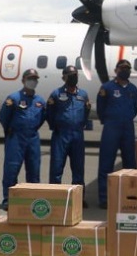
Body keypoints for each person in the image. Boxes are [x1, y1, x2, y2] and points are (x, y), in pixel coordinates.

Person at [0, 68, 47, 210]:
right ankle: (8, 199)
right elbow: (3, 116)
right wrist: (10, 130)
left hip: (32, 137)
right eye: (30, 78)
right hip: (16, 137)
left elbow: (42, 118)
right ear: (23, 80)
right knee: (12, 168)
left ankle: (32, 198)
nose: (33, 81)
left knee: (34, 169)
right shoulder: (14, 98)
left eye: (35, 79)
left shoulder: (40, 101)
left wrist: (32, 128)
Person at [97, 59, 137, 209]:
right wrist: (109, 119)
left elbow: (135, 108)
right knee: (106, 163)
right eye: (122, 68)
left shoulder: (133, 89)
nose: (125, 71)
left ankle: (131, 195)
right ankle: (104, 198)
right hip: (111, 128)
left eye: (128, 68)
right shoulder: (107, 87)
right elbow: (100, 109)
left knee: (130, 163)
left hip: (128, 128)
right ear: (116, 70)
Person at [46, 65, 91, 207]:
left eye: (75, 74)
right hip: (61, 135)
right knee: (57, 167)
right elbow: (49, 113)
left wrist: (79, 125)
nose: (73, 77)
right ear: (63, 77)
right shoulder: (56, 94)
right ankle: (55, 198)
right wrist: (56, 126)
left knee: (78, 168)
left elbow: (86, 113)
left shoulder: (82, 95)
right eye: (70, 75)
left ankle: (79, 199)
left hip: (77, 135)